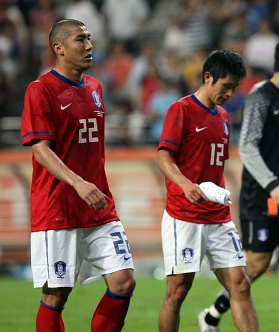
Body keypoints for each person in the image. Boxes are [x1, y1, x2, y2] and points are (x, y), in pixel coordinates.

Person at [20, 19, 136, 332]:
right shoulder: (40, 90)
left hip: (98, 206)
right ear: (58, 48)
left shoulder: (96, 88)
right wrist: (78, 182)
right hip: (57, 208)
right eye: (80, 40)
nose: (88, 46)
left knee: (124, 281)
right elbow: (40, 149)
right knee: (57, 295)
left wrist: (90, 185)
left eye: (89, 38)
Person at [199, 35, 279, 332]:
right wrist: (273, 184)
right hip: (261, 194)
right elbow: (247, 147)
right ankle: (212, 313)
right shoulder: (261, 95)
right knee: (257, 264)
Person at [156, 49, 259, 332]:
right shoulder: (182, 109)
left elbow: (214, 168)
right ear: (208, 77)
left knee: (241, 285)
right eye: (226, 86)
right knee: (177, 292)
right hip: (184, 215)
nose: (229, 93)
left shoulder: (224, 116)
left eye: (234, 88)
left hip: (218, 218)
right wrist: (185, 184)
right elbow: (164, 157)